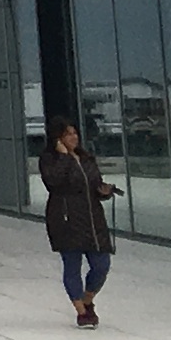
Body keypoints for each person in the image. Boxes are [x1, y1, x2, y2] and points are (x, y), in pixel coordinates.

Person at [38, 116, 117, 327]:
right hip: (66, 218)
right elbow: (53, 182)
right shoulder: (50, 159)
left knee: (101, 264)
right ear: (58, 139)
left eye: (74, 133)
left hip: (92, 218)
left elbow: (94, 184)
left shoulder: (86, 158)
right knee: (72, 265)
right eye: (68, 134)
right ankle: (82, 311)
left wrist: (104, 191)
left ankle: (87, 299)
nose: (73, 137)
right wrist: (64, 158)